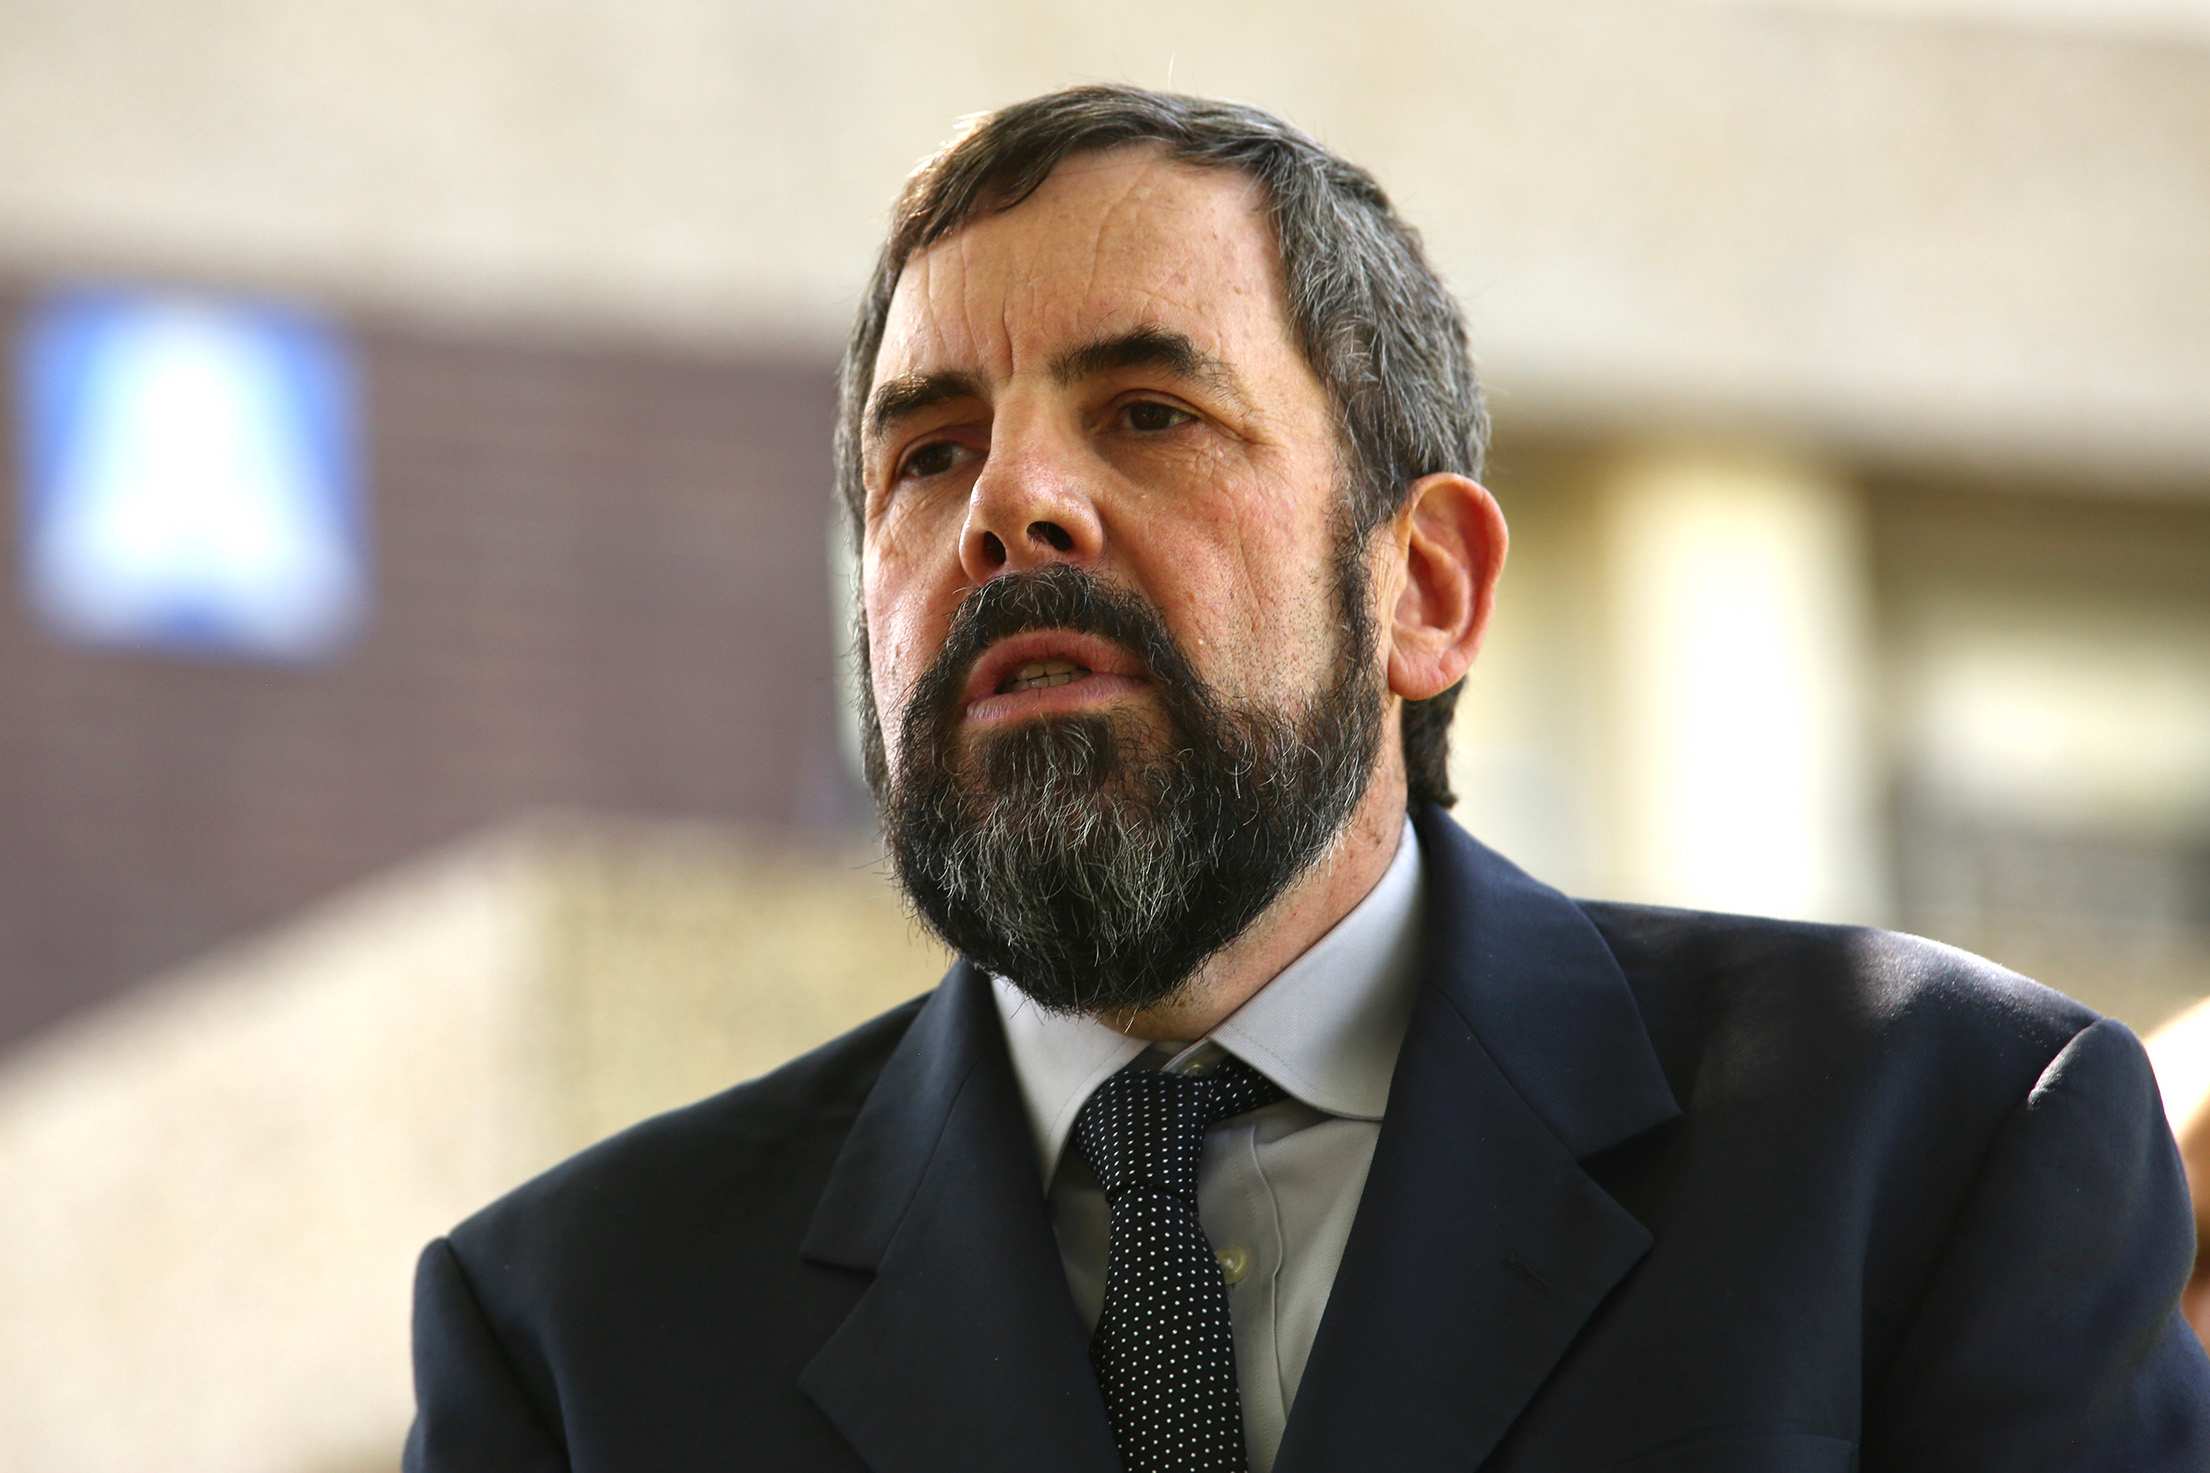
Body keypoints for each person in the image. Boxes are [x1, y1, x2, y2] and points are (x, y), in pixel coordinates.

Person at [404, 86, 2210, 1472]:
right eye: (928, 453)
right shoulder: (576, 1335)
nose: (1006, 507)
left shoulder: (1937, 1138)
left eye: (1149, 413)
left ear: (1424, 589)